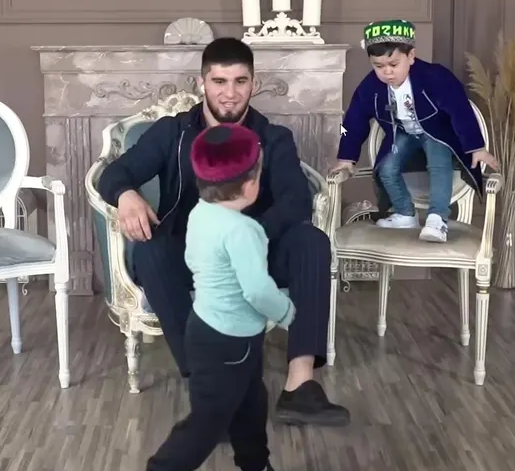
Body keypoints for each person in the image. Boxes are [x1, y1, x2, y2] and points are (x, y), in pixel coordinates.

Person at [97, 37, 349, 427]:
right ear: (202, 83)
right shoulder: (172, 132)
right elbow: (115, 172)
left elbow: (296, 201)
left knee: (312, 241)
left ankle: (300, 386)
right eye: (219, 81)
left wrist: (245, 239)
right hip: (191, 254)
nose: (229, 93)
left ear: (254, 83)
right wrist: (126, 195)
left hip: (259, 252)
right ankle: (211, 390)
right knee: (150, 252)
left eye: (240, 81)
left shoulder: (274, 137)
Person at [124, 123, 300, 471]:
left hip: (216, 333)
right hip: (227, 342)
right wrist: (287, 313)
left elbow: (192, 260)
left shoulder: (201, 214)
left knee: (251, 405)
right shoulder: (244, 230)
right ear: (250, 184)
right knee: (206, 424)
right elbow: (258, 290)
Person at [331, 20, 499, 242]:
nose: (387, 72)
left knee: (438, 163)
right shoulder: (369, 87)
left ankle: (437, 219)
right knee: (387, 168)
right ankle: (405, 214)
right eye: (379, 66)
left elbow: (462, 111)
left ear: (410, 56)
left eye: (394, 64)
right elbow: (351, 122)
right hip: (403, 132)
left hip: (437, 132)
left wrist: (476, 147)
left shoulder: (436, 77)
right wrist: (346, 157)